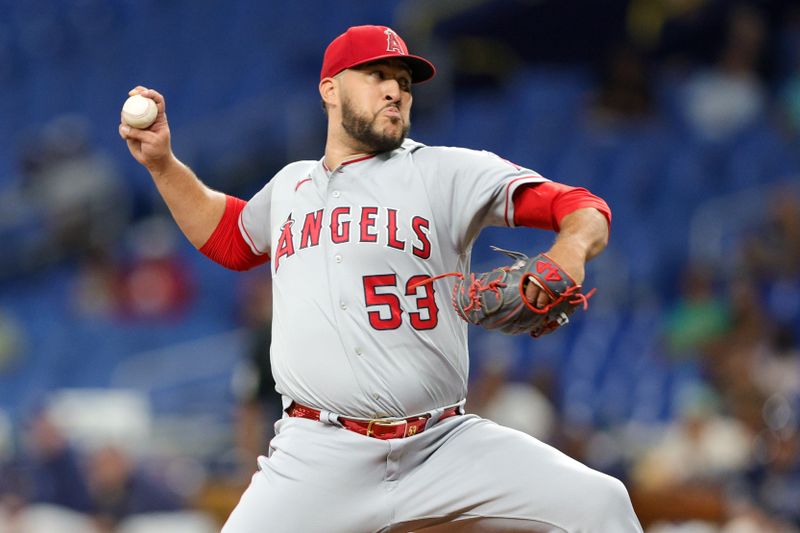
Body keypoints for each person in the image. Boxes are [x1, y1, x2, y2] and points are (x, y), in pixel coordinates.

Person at [120, 24, 642, 533]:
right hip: (319, 454)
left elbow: (580, 205)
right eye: (376, 74)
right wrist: (163, 165)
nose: (395, 89)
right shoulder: (290, 186)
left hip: (443, 444)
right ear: (329, 89)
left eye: (405, 82)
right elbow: (232, 239)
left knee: (601, 504)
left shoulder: (447, 172)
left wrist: (571, 249)